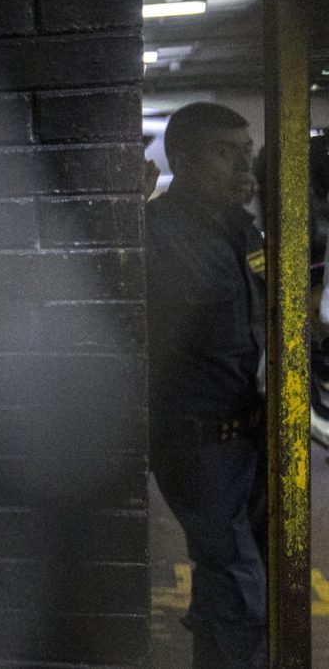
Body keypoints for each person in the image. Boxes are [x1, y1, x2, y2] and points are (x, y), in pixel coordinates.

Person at [145, 102, 265, 669]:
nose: (244, 165)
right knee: (240, 591)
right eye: (225, 153)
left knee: (234, 588)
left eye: (247, 151)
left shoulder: (240, 229)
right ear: (182, 160)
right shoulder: (159, 236)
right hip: (200, 446)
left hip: (250, 436)